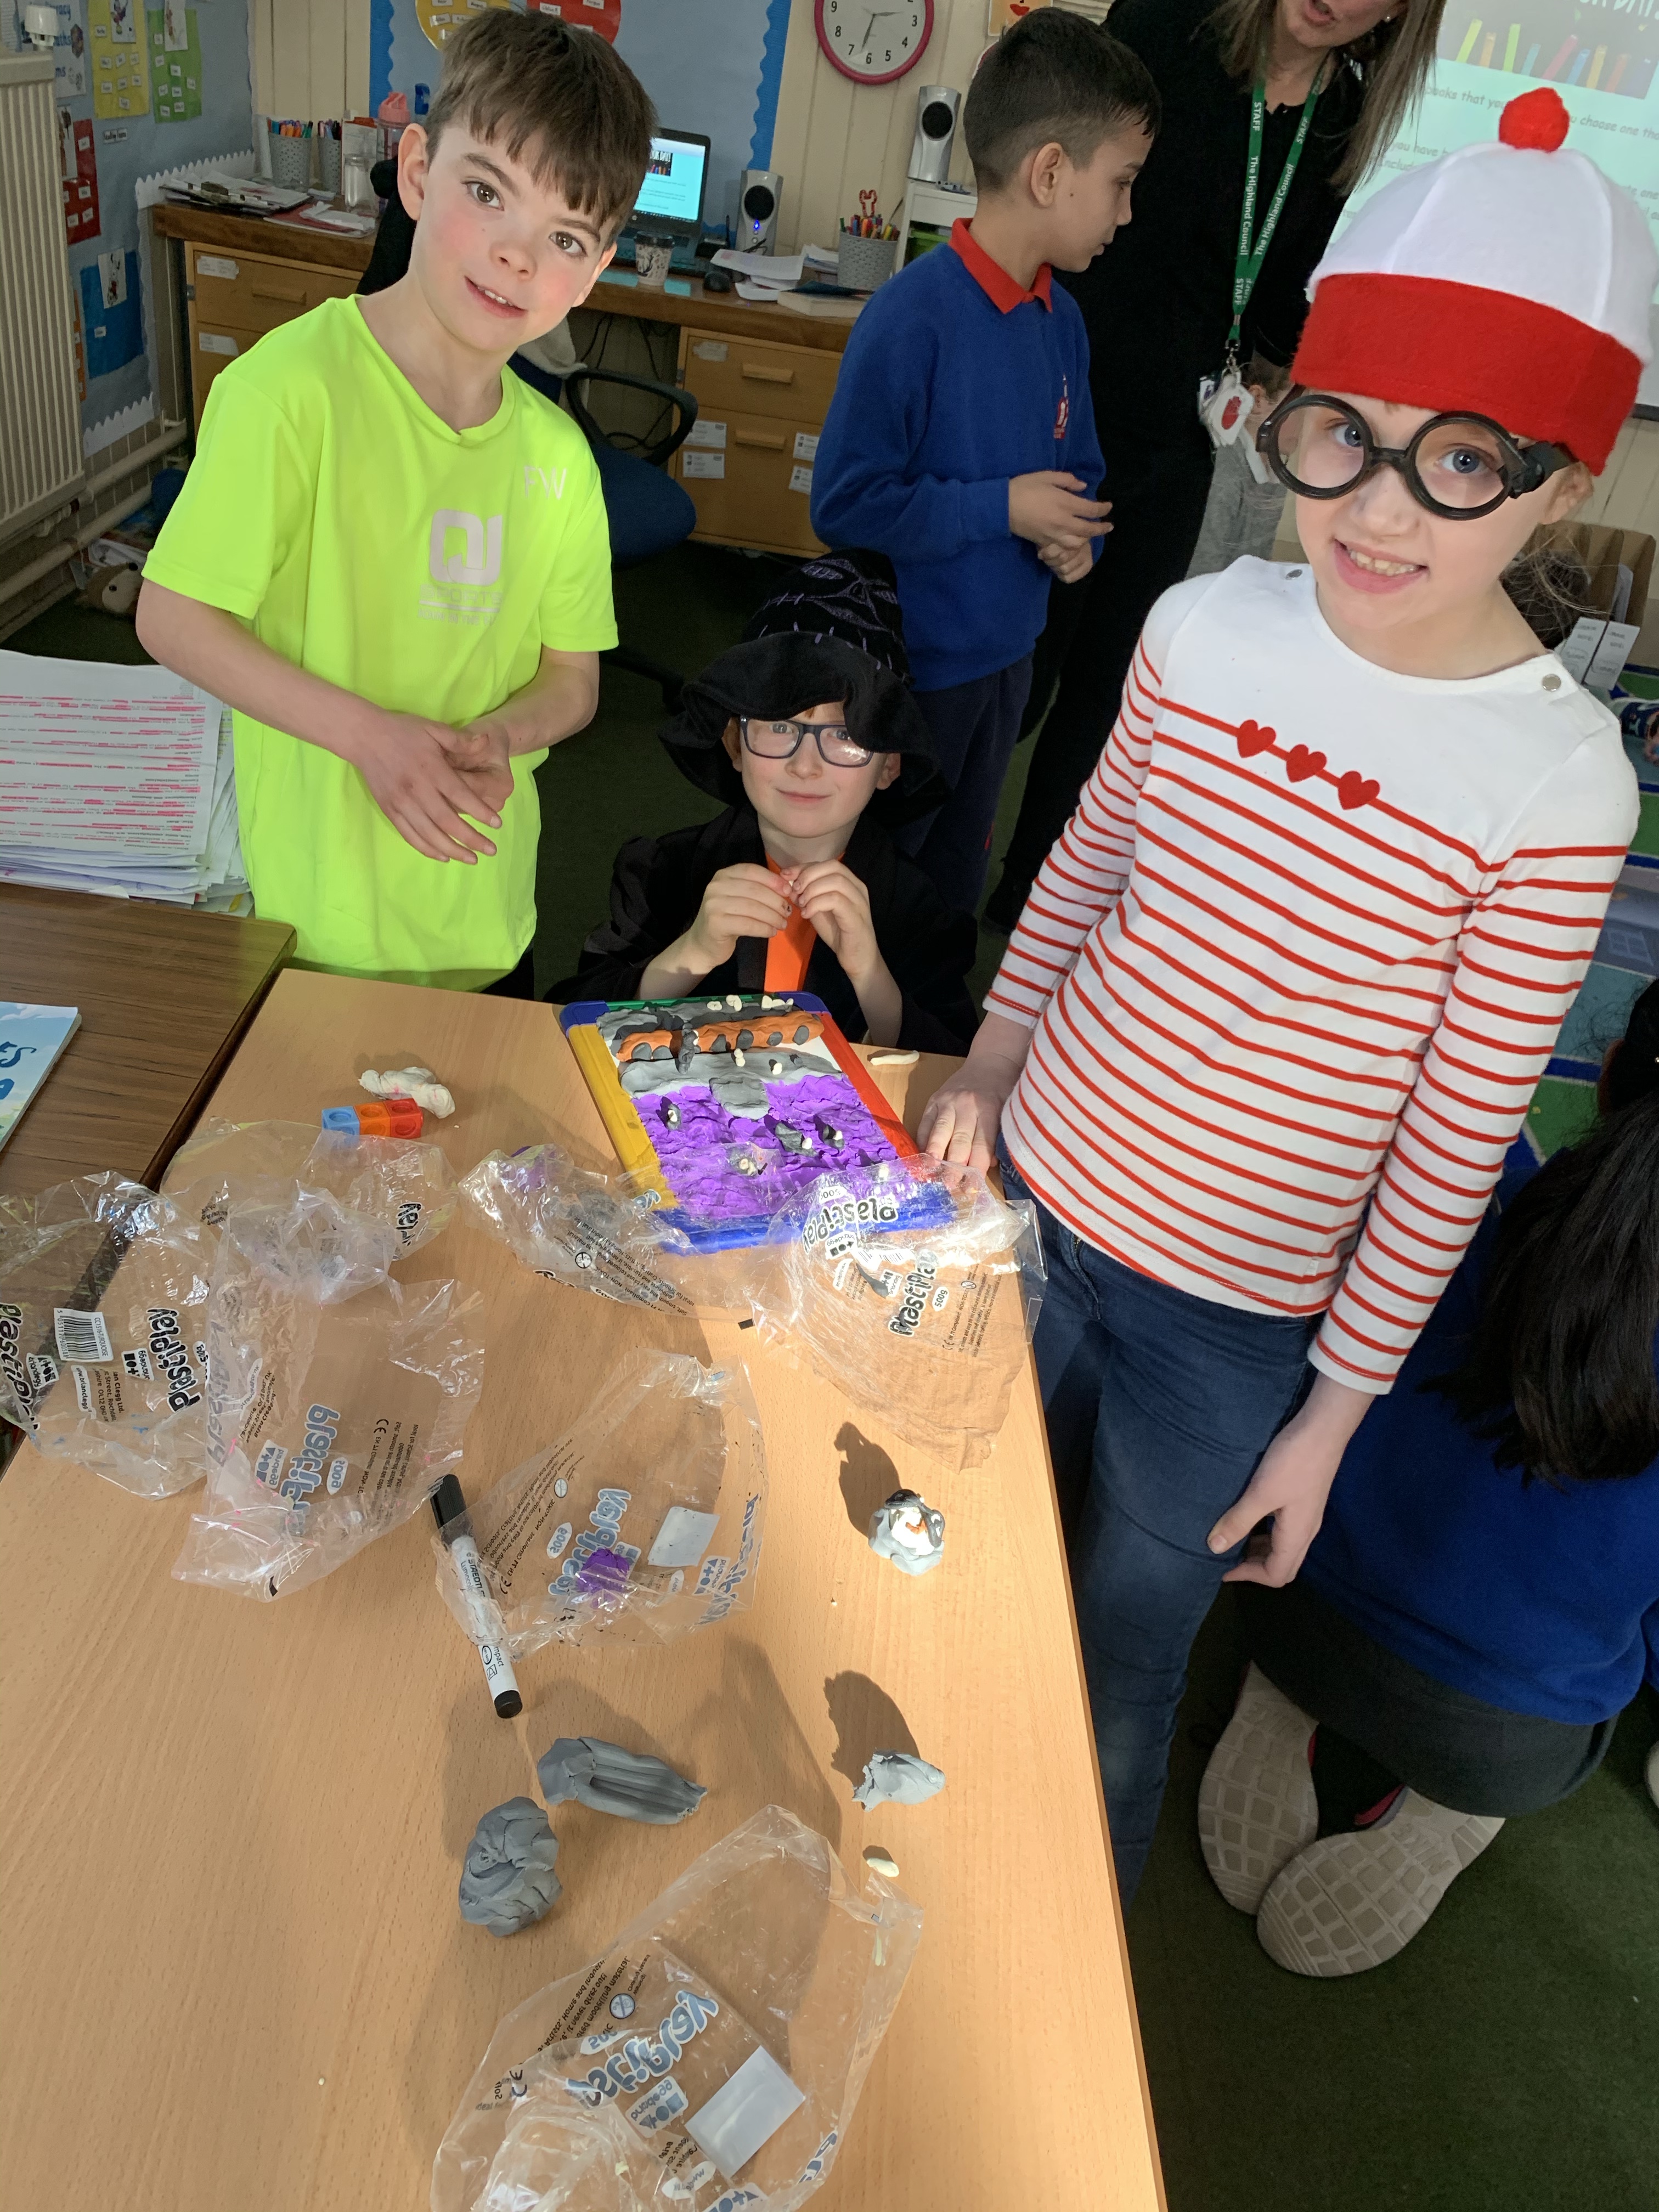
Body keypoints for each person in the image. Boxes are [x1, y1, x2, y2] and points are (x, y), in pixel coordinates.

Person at [916, 92, 1652, 1901]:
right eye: (1342, 437)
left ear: (1557, 481)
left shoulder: (1559, 784)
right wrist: (988, 1068)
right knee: (948, 1550)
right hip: (1033, 1195)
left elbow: (1451, 1139)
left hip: (1236, 1325)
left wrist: (1330, 1418)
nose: (1376, 510)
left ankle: (1059, 1921)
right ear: (1289, 420)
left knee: (1121, 1649)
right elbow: (1081, 870)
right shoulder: (1204, 628)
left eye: (1459, 462)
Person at [136, 15, 654, 992]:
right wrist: (371, 738)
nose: (516, 256)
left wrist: (502, 736)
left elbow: (571, 681)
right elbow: (172, 616)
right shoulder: (289, 391)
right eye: (487, 192)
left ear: (594, 271)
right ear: (417, 171)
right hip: (315, 927)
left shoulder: (559, 460)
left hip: (485, 923)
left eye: (564, 237)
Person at [1198, 980, 1659, 1974]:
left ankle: (1280, 1695)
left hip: (1294, 1603)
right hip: (1508, 1736)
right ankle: (1451, 1810)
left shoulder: (1460, 1205)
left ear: (1608, 1072)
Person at [984, 0, 1448, 935]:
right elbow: (1059, 207)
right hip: (1062, 406)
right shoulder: (1166, 27)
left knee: (1107, 689)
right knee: (1011, 672)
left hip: (1181, 439)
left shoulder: (1340, 114)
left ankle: (1026, 904)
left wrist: (1294, 377)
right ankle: (915, 869)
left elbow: (1275, 291)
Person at [809, 11, 1156, 913]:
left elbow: (1079, 477)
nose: (1126, 213)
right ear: (1050, 172)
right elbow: (845, 503)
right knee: (870, 887)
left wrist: (1078, 541)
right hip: (910, 676)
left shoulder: (1063, 323)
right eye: (1120, 184)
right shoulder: (909, 316)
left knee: (951, 885)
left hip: (1007, 666)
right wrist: (998, 508)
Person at [556, 551, 979, 1056]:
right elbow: (565, 1020)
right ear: (734, 745)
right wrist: (691, 952)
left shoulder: (917, 910)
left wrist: (871, 975)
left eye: (845, 735)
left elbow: (954, 1065)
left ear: (889, 764)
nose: (806, 765)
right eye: (780, 727)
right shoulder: (662, 874)